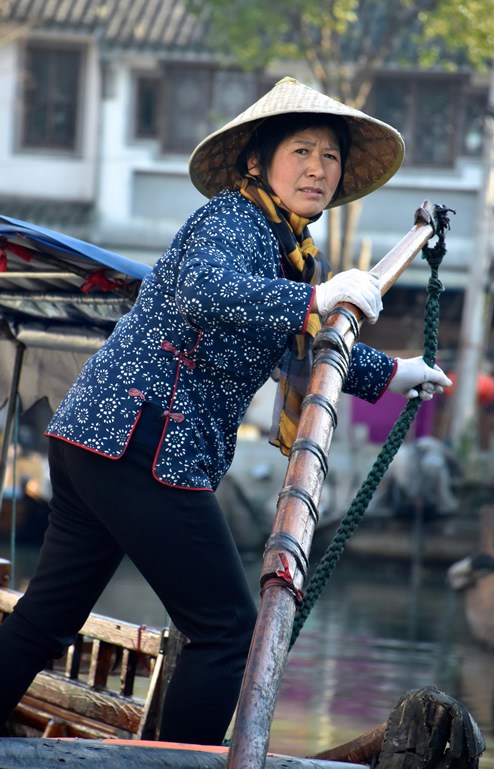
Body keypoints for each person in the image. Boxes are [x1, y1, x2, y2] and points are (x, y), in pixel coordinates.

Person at [0, 76, 451, 745]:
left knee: (48, 618)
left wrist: (396, 372)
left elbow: (300, 349)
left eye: (329, 157)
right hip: (141, 441)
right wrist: (320, 295)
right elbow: (211, 293)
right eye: (301, 151)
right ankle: (176, 764)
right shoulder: (231, 221)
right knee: (227, 631)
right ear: (257, 161)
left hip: (97, 441)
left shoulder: (287, 251)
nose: (318, 169)